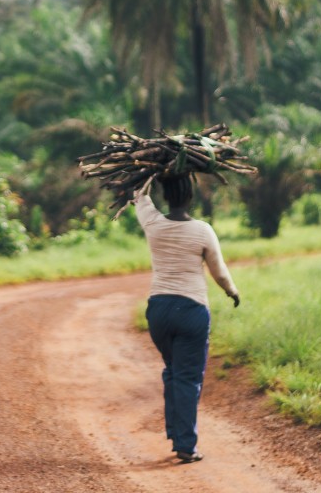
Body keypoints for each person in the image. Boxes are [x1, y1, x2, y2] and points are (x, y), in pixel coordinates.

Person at [132, 173, 241, 464]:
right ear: (190, 196)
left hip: (158, 312)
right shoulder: (202, 230)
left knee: (173, 371)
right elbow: (219, 272)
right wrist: (232, 291)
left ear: (166, 196)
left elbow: (139, 196)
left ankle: (175, 433)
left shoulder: (153, 223)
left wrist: (150, 173)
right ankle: (185, 445)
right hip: (191, 311)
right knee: (187, 378)